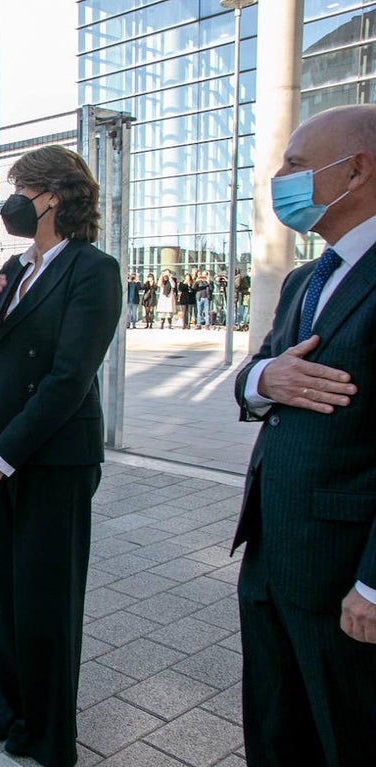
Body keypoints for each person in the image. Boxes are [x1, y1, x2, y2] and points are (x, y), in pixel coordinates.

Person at [0, 145, 121, 767]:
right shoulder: (15, 269)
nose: (11, 198)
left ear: (51, 195)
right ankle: (8, 708)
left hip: (50, 458)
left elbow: (68, 379)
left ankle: (50, 733)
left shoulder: (93, 270)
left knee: (46, 598)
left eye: (19, 185)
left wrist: (4, 453)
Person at [232, 103, 376, 767]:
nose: (280, 176)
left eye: (294, 163)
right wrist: (268, 378)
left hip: (342, 573)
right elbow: (252, 373)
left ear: (356, 169)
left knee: (341, 735)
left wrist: (373, 584)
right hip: (271, 552)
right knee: (274, 725)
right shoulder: (301, 278)